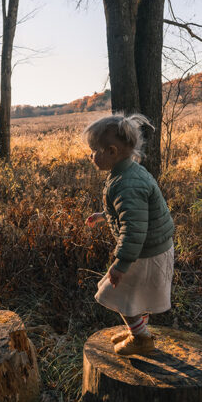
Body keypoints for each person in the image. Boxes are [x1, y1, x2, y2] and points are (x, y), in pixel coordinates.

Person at [84, 113, 175, 356]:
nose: (91, 156)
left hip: (144, 253)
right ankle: (139, 331)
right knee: (137, 297)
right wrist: (104, 215)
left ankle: (141, 339)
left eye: (94, 151)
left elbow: (134, 229)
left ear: (111, 151)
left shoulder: (126, 183)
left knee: (119, 294)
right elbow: (130, 213)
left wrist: (120, 265)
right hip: (150, 249)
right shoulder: (127, 173)